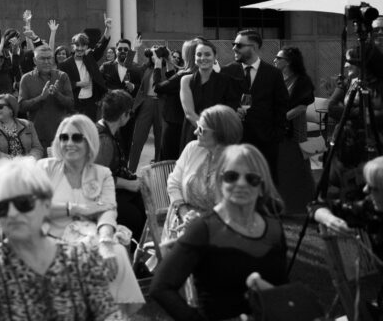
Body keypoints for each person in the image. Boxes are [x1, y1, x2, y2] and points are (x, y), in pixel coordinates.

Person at [0, 158, 124, 321]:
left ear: (46, 205)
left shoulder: (80, 260)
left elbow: (108, 313)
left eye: (23, 203)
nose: (12, 213)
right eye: (1, 207)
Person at [150, 144, 287, 321]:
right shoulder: (205, 228)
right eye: (232, 176)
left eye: (251, 178)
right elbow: (160, 287)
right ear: (220, 182)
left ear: (261, 186)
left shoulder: (273, 229)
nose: (241, 184)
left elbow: (282, 288)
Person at [38, 114, 145, 306]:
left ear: (89, 141)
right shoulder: (45, 168)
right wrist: (75, 208)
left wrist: (105, 241)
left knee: (116, 253)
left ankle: (112, 312)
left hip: (89, 236)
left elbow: (107, 212)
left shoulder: (102, 173)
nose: (69, 143)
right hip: (50, 237)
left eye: (76, 137)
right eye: (64, 137)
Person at [165, 105, 243, 243]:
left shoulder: (237, 166)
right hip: (181, 221)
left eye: (201, 129)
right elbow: (173, 183)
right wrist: (183, 212)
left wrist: (201, 223)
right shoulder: (192, 148)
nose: (195, 132)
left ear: (220, 134)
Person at [221, 29, 289, 183]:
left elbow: (282, 104)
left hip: (265, 141)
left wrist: (276, 134)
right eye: (234, 44)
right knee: (235, 183)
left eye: (238, 45)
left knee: (265, 184)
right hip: (235, 140)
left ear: (253, 47)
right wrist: (232, 110)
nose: (234, 48)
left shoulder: (273, 73)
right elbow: (220, 101)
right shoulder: (226, 71)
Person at [96, 90, 146, 241]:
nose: (130, 116)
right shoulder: (104, 141)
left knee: (142, 203)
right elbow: (97, 178)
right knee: (135, 218)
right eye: (130, 113)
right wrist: (128, 184)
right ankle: (128, 253)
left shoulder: (110, 130)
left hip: (112, 188)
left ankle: (135, 251)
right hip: (99, 196)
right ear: (123, 115)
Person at [273, 46, 316, 213]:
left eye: (279, 58)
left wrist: (281, 118)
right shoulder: (277, 78)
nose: (275, 60)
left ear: (289, 62)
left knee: (298, 168)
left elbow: (301, 107)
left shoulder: (302, 80)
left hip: (293, 131)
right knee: (281, 169)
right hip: (278, 130)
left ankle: (304, 205)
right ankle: (284, 206)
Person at [179, 39, 239, 149]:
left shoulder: (226, 81)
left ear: (215, 57)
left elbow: (230, 110)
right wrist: (207, 133)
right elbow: (189, 113)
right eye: (199, 54)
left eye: (207, 54)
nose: (203, 58)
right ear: (194, 58)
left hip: (220, 137)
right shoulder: (186, 80)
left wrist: (216, 135)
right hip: (194, 134)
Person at [18, 44, 75, 149]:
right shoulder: (26, 79)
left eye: (49, 58)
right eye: (42, 58)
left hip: (60, 134)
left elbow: (71, 104)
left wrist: (57, 94)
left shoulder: (62, 76)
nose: (46, 61)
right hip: (37, 136)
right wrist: (41, 98)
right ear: (35, 61)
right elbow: (21, 107)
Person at [58, 15, 112, 121]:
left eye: (83, 46)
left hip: (91, 102)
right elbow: (62, 84)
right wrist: (78, 84)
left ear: (87, 47)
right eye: (77, 46)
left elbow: (101, 45)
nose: (80, 49)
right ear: (72, 46)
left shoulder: (90, 57)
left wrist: (108, 28)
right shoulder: (65, 64)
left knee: (89, 131)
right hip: (74, 103)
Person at [128, 46, 173, 170]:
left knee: (160, 142)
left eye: (157, 54)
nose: (155, 57)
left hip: (162, 105)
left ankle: (159, 172)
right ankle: (130, 171)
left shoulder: (168, 69)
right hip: (146, 104)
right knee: (137, 140)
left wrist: (168, 58)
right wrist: (133, 49)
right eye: (153, 55)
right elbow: (129, 67)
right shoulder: (146, 68)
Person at [154, 40, 199, 161]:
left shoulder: (183, 76)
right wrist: (169, 60)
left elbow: (158, 88)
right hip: (186, 124)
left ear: (187, 54)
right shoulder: (196, 73)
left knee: (168, 160)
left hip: (174, 124)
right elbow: (172, 82)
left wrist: (157, 64)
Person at [0, 93, 44, 160]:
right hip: (2, 167)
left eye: (0, 106)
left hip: (27, 165)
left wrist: (31, 158)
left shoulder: (28, 125)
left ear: (11, 109)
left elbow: (37, 148)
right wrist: (12, 160)